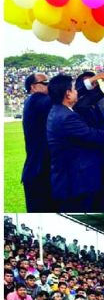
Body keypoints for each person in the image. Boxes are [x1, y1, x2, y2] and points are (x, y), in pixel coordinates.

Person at [45, 74, 104, 211]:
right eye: (74, 89)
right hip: (76, 185)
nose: (77, 92)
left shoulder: (58, 110)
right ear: (68, 94)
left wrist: (92, 80)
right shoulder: (67, 117)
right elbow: (96, 137)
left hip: (76, 182)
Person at [21, 72, 53, 212]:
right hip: (39, 174)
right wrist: (89, 84)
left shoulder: (39, 103)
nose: (49, 86)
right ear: (33, 87)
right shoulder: (35, 100)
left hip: (42, 172)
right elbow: (61, 98)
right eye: (45, 83)